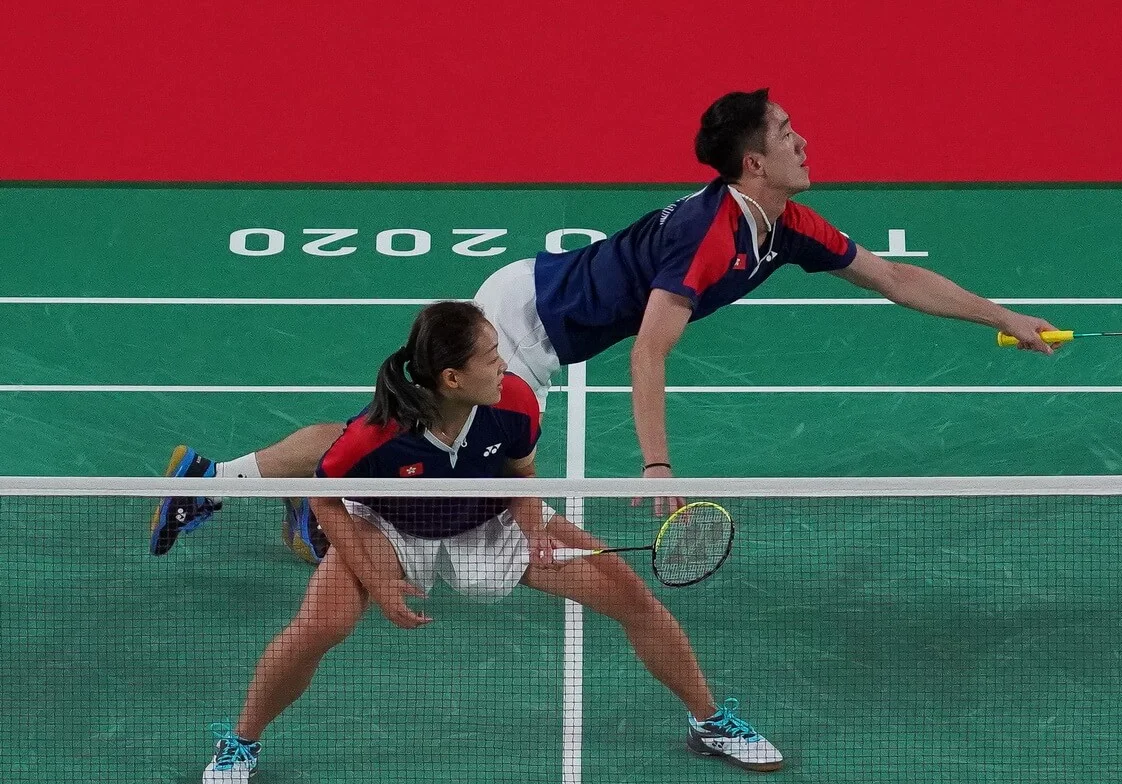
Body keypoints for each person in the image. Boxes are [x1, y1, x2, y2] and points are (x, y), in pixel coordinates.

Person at [152, 88, 1059, 559]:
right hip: (526, 323)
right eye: (787, 132)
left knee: (410, 432)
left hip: (546, 317)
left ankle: (252, 487)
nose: (803, 140)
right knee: (449, 462)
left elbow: (893, 277)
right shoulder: (708, 234)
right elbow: (651, 353)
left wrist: (1006, 317)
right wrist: (657, 466)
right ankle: (275, 496)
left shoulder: (785, 225)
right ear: (753, 161)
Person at [200, 301, 782, 784]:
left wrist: (534, 528)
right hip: (392, 527)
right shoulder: (376, 433)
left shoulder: (515, 402)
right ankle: (240, 742)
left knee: (632, 596)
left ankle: (710, 724)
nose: (504, 364)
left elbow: (520, 476)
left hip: (488, 521)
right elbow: (325, 498)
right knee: (317, 628)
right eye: (491, 355)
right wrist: (374, 579)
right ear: (452, 378)